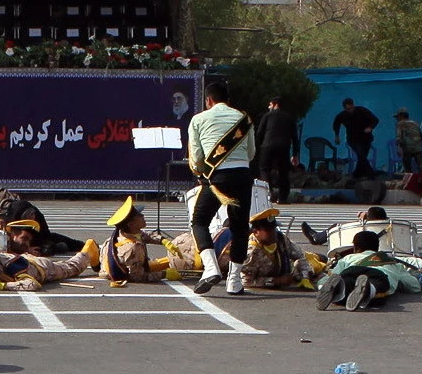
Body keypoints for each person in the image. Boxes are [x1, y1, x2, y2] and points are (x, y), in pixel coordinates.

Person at [187, 75, 257, 296]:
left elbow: (196, 156)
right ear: (228, 99)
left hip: (217, 178)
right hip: (243, 176)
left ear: (208, 101)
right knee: (240, 228)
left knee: (199, 221)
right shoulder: (244, 119)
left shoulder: (198, 119)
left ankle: (210, 269)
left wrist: (200, 172)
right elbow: (251, 152)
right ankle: (234, 282)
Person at [315, 234, 422, 311]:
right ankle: (369, 289)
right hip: (378, 274)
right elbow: (414, 286)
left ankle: (339, 289)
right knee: (378, 286)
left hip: (352, 270)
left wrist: (321, 283)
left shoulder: (347, 258)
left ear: (355, 248)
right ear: (377, 247)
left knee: (347, 280)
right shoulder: (392, 263)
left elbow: (333, 275)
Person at [91, 198, 171, 284]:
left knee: (169, 261)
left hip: (113, 266)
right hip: (122, 272)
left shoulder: (124, 233)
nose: (143, 216)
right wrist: (164, 274)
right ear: (131, 224)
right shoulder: (133, 248)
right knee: (173, 263)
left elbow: (145, 236)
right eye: (139, 215)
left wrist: (163, 240)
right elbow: (137, 277)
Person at [254, 99, 297, 205]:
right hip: (283, 147)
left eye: (270, 105)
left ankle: (268, 193)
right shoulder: (289, 117)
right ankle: (282, 198)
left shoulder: (267, 116)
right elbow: (295, 137)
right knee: (283, 172)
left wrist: (256, 147)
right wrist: (295, 154)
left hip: (267, 146)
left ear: (275, 104)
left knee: (264, 169)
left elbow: (259, 133)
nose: (269, 107)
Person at [330, 98, 378, 178]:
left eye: (351, 108)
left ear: (353, 105)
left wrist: (370, 127)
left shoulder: (362, 111)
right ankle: (371, 175)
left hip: (366, 139)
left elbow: (375, 120)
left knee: (362, 158)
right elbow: (336, 124)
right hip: (353, 139)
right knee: (361, 155)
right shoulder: (342, 115)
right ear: (344, 108)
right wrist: (337, 136)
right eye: (347, 109)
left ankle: (356, 175)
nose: (350, 111)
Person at [393, 108, 422, 174]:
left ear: (401, 116)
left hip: (407, 149)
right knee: (421, 166)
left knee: (407, 167)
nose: (397, 119)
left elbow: (399, 137)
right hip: (418, 148)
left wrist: (399, 148)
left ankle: (410, 181)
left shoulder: (400, 124)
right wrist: (419, 144)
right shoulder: (415, 123)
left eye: (397, 117)